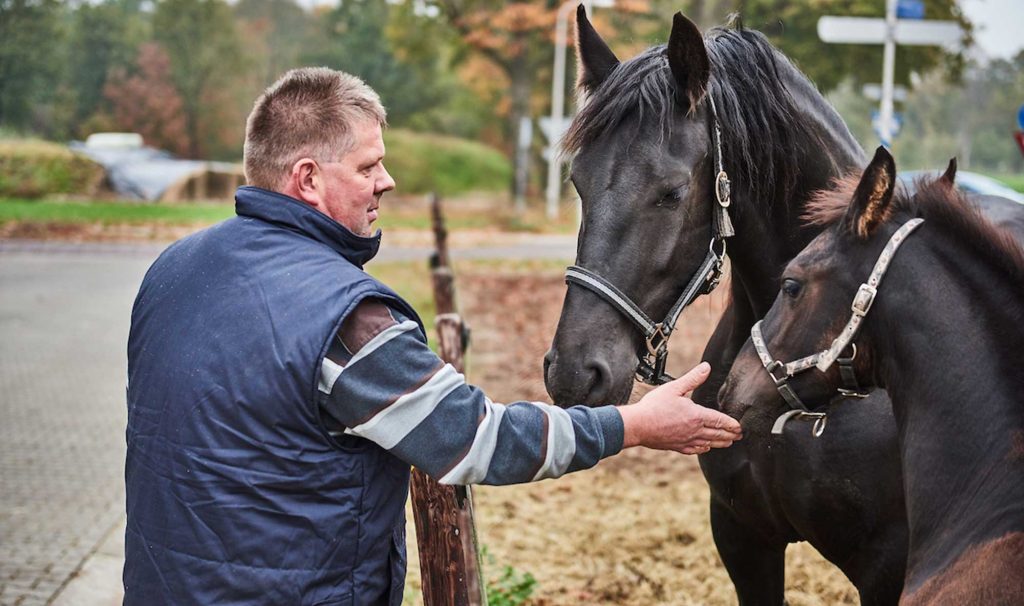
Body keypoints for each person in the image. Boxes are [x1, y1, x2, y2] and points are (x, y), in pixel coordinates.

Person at [124, 67, 742, 606]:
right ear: (307, 179)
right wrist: (633, 426)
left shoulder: (171, 271)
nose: (387, 181)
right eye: (368, 166)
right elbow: (477, 441)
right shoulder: (345, 319)